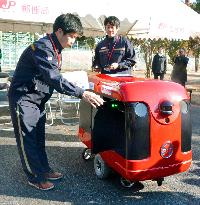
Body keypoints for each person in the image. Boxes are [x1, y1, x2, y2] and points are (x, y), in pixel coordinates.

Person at [8, 13, 104, 191]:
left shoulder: (55, 48)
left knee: (38, 137)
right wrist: (82, 93)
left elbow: (54, 77)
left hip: (37, 100)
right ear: (60, 31)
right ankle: (35, 177)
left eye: (76, 37)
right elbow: (54, 79)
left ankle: (44, 169)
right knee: (28, 138)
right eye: (72, 36)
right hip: (23, 99)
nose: (74, 41)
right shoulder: (43, 48)